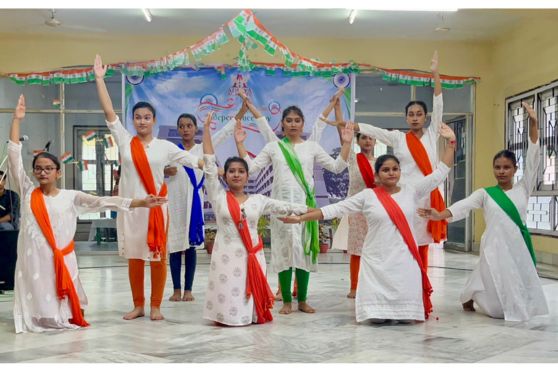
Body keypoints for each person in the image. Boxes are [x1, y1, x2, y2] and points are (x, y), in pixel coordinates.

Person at [8, 95, 166, 333]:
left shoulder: (70, 196)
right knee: (36, 288)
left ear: (58, 173)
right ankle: (37, 317)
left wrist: (141, 202)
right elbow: (13, 158)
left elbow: (105, 202)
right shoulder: (28, 191)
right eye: (38, 168)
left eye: (49, 168)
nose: (43, 172)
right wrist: (16, 120)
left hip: (62, 258)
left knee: (68, 309)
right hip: (33, 258)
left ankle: (62, 315)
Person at [281, 123, 456, 324]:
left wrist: (451, 143)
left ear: (400, 172)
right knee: (377, 319)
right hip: (376, 260)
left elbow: (441, 171)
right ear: (377, 175)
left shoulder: (412, 190)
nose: (391, 173)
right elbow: (335, 209)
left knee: (405, 317)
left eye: (395, 169)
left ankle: (404, 310)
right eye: (386, 170)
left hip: (403, 258)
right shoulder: (368, 196)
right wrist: (301, 217)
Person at [418, 102, 549, 321]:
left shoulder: (523, 188)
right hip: (494, 245)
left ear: (515, 169)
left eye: (506, 167)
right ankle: (474, 296)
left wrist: (534, 122)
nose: (501, 171)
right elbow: (464, 205)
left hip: (517, 244)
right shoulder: (486, 194)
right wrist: (440, 214)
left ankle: (477, 296)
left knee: (514, 280)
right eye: (497, 167)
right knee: (494, 296)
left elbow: (534, 154)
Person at [94, 55, 202, 321]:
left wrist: (214, 162)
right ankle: (138, 305)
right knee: (134, 257)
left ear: (153, 120)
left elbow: (195, 161)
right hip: (132, 209)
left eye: (146, 117)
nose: (142, 121)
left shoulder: (166, 147)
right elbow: (109, 113)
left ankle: (155, 306)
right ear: (133, 120)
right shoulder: (124, 141)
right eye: (137, 117)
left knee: (156, 257)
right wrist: (99, 79)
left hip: (156, 210)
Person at [323, 51, 444, 270]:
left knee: (423, 244)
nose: (415, 117)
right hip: (405, 196)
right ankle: (399, 279)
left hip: (428, 197)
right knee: (402, 241)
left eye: (419, 114)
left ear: (425, 117)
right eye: (411, 114)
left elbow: (439, 105)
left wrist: (435, 75)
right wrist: (349, 124)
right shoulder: (398, 137)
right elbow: (372, 129)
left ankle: (422, 286)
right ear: (406, 117)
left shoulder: (432, 134)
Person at [235, 104, 353, 315]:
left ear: (302, 124)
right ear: (282, 124)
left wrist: (346, 143)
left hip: (305, 208)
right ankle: (287, 301)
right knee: (283, 253)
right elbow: (251, 171)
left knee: (303, 252)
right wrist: (240, 145)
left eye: (297, 121)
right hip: (280, 208)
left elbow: (337, 167)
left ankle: (303, 301)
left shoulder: (312, 147)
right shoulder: (274, 147)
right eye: (288, 120)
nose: (293, 124)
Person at [165, 95, 276, 303]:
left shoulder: (201, 150)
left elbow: (225, 133)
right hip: (176, 203)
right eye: (182, 126)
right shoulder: (171, 151)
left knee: (189, 247)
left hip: (194, 204)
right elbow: (159, 170)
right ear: (178, 129)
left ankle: (188, 289)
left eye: (189, 125)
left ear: (195, 128)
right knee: (174, 245)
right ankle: (176, 289)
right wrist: (165, 170)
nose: (186, 129)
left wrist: (242, 112)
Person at [201, 112, 307, 326]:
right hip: (224, 254)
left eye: (241, 171)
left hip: (251, 255)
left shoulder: (258, 200)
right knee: (227, 287)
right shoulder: (218, 195)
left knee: (244, 289)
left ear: (247, 176)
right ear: (226, 175)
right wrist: (205, 131)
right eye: (231, 171)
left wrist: (312, 210)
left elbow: (286, 207)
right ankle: (226, 317)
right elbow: (209, 164)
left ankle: (248, 315)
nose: (236, 175)